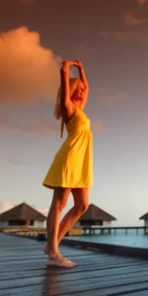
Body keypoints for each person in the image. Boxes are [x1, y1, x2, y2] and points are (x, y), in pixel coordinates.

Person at [42, 58, 92, 268]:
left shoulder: (80, 108)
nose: (82, 90)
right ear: (70, 90)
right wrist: (64, 70)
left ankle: (51, 244)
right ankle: (53, 253)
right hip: (70, 157)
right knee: (59, 204)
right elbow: (65, 91)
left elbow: (88, 87)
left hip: (82, 161)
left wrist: (81, 70)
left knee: (82, 205)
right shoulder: (68, 108)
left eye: (82, 88)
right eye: (78, 88)